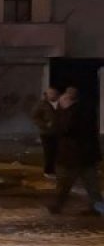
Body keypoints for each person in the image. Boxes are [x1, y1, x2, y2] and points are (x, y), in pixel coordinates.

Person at [48, 87, 104, 216]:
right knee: (92, 185)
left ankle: (57, 206)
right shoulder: (86, 110)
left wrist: (61, 111)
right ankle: (98, 207)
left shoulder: (71, 113)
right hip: (88, 155)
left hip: (72, 156)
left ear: (68, 99)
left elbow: (63, 129)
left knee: (64, 182)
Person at [32, 87, 60, 179]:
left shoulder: (61, 103)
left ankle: (57, 170)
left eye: (54, 93)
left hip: (58, 132)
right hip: (46, 133)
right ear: (46, 95)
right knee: (49, 152)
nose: (53, 95)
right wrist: (44, 124)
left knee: (58, 152)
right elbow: (35, 117)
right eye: (50, 93)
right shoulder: (41, 105)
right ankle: (48, 171)